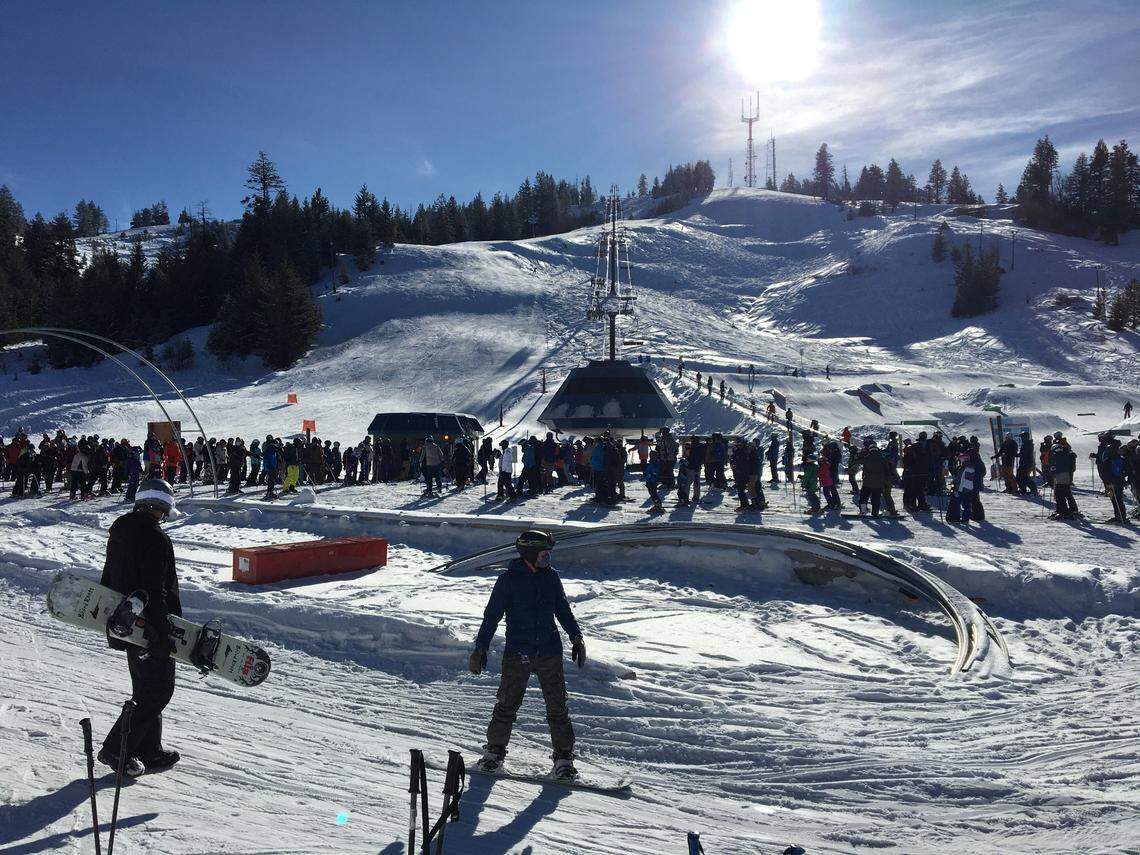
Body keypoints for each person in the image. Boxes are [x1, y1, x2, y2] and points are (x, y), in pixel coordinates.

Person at [469, 531, 585, 781]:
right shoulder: (508, 581)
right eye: (544, 554)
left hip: (549, 651)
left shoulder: (551, 578)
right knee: (507, 705)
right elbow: (491, 617)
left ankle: (563, 759)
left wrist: (576, 637)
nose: (548, 558)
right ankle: (494, 753)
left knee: (557, 707)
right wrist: (481, 647)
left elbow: (563, 610)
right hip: (517, 652)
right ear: (531, 555)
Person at [98, 478, 182, 778]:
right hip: (150, 626)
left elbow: (111, 578)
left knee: (145, 688)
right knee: (158, 692)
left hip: (125, 623)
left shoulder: (121, 531)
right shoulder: (154, 539)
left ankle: (149, 749)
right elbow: (153, 588)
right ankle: (116, 750)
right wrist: (161, 631)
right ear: (161, 507)